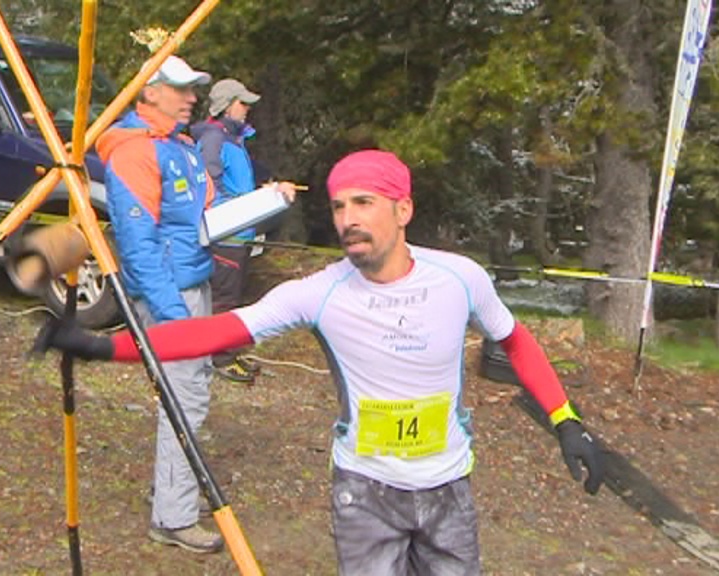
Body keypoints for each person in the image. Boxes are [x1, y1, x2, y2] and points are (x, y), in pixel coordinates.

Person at [35, 149, 605, 574]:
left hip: (448, 489)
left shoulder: (460, 277)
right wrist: (104, 346)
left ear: (403, 208)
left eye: (364, 203)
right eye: (338, 206)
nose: (348, 219)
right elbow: (213, 332)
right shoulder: (320, 292)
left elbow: (516, 341)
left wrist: (566, 422)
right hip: (365, 495)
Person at [94, 55, 221, 554]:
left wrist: (262, 202)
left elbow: (203, 212)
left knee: (191, 393)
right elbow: (138, 247)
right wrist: (174, 317)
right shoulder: (134, 152)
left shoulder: (178, 146)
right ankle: (172, 516)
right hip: (172, 292)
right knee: (183, 400)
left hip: (194, 280)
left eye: (193, 89)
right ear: (148, 94)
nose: (191, 97)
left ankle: (175, 492)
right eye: (180, 89)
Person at [190, 78, 295, 384]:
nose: (247, 109)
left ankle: (226, 352)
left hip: (239, 231)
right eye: (242, 103)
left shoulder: (232, 139)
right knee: (224, 298)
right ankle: (220, 359)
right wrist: (252, 202)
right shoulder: (214, 139)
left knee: (231, 296)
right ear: (226, 106)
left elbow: (232, 184)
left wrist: (262, 193)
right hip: (228, 232)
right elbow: (208, 188)